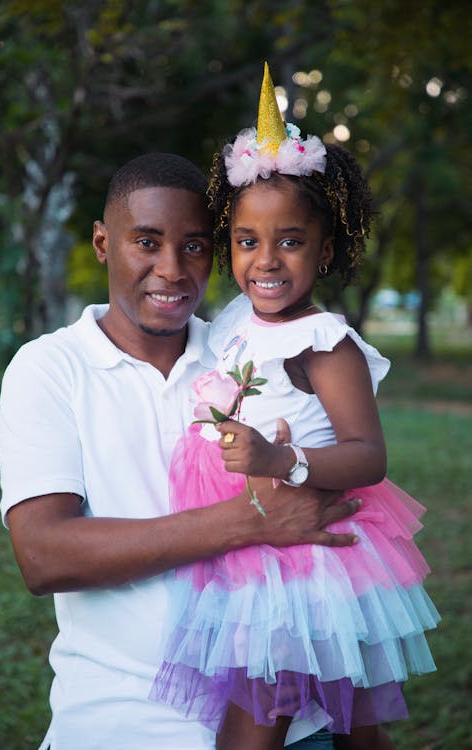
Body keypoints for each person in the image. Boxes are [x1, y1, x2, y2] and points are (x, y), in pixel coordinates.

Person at [0, 151, 363, 750]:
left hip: (285, 719)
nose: (171, 268)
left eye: (194, 246)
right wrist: (250, 522)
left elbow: (331, 519)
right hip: (122, 721)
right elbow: (43, 556)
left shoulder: (249, 353)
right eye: (146, 242)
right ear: (101, 242)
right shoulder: (50, 368)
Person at [149, 64, 440, 750]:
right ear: (229, 246)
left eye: (291, 241)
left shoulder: (324, 343)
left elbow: (369, 456)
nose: (266, 261)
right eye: (248, 241)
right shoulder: (230, 324)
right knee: (339, 719)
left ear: (327, 248)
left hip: (305, 560)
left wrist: (283, 459)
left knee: (283, 725)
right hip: (245, 539)